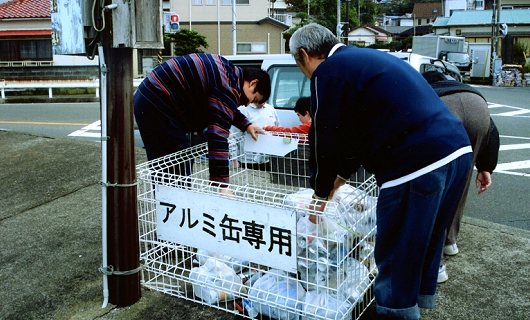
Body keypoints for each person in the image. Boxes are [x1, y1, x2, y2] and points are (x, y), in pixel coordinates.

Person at [289, 24, 473, 320]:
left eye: (300, 67)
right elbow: (355, 134)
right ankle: (410, 307)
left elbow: (326, 138)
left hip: (416, 163)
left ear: (303, 55)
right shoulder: (365, 60)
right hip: (457, 152)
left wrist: (320, 193)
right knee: (422, 247)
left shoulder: (329, 72)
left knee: (396, 254)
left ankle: (395, 313)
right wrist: (340, 179)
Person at [134, 53, 271, 189]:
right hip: (157, 102)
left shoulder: (229, 74)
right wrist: (222, 184)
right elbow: (218, 135)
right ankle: (174, 203)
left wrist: (246, 125)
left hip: (152, 97)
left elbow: (223, 108)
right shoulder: (227, 86)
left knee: (174, 162)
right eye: (253, 100)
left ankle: (173, 201)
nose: (246, 104)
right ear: (253, 83)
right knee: (175, 165)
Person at [422, 71, 500, 283]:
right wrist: (486, 167)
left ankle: (435, 267)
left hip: (446, 110)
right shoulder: (461, 86)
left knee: (437, 187)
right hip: (479, 108)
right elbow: (492, 130)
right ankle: (450, 242)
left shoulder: (429, 92)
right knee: (460, 181)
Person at [230, 102, 280, 170]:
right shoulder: (243, 110)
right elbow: (232, 137)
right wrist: (234, 160)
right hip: (247, 161)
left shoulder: (271, 109)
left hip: (268, 160)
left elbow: (277, 132)